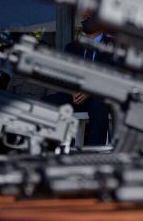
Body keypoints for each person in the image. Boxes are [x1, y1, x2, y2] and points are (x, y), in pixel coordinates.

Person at [43, 15, 111, 146]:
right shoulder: (72, 47)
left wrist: (90, 90)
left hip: (100, 95)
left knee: (99, 106)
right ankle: (48, 149)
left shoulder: (114, 47)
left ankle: (93, 153)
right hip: (74, 96)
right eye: (84, 17)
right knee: (46, 103)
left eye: (89, 16)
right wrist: (73, 90)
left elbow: (114, 76)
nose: (84, 18)